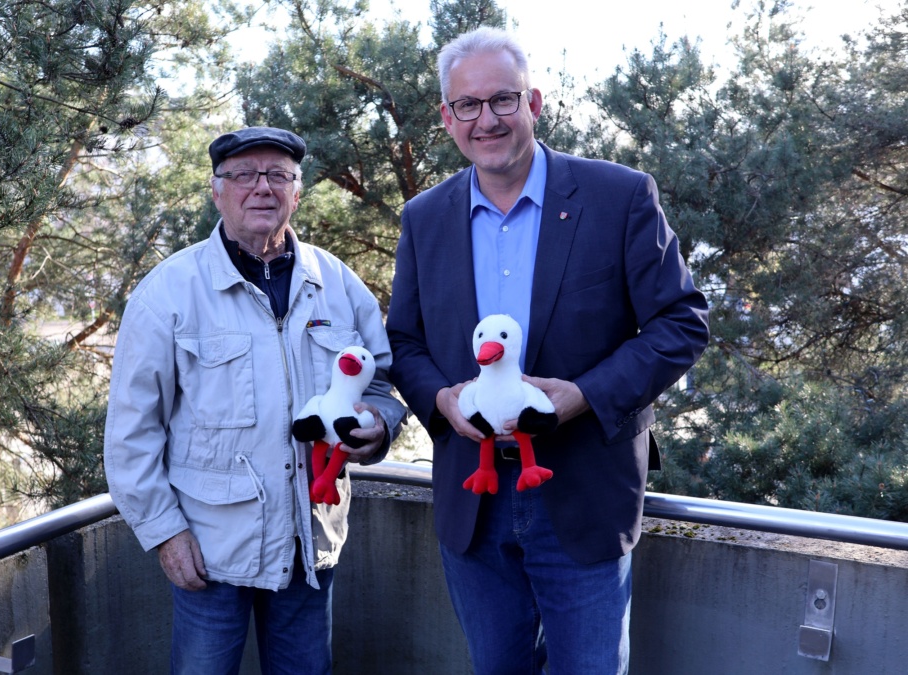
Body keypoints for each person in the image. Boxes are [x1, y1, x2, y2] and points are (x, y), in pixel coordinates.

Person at [386, 27, 710, 675]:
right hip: (472, 498)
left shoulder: (619, 196)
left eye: (502, 100)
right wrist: (441, 399)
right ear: (448, 119)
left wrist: (584, 395)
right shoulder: (424, 217)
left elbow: (682, 322)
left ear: (533, 103)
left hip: (584, 488)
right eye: (468, 106)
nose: (488, 119)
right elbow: (404, 339)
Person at [104, 126, 406, 675]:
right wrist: (165, 534)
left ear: (298, 191)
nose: (261, 188)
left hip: (308, 546)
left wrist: (380, 426)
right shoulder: (168, 292)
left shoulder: (338, 284)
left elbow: (383, 384)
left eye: (278, 176)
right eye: (243, 175)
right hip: (209, 551)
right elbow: (131, 432)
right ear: (217, 191)